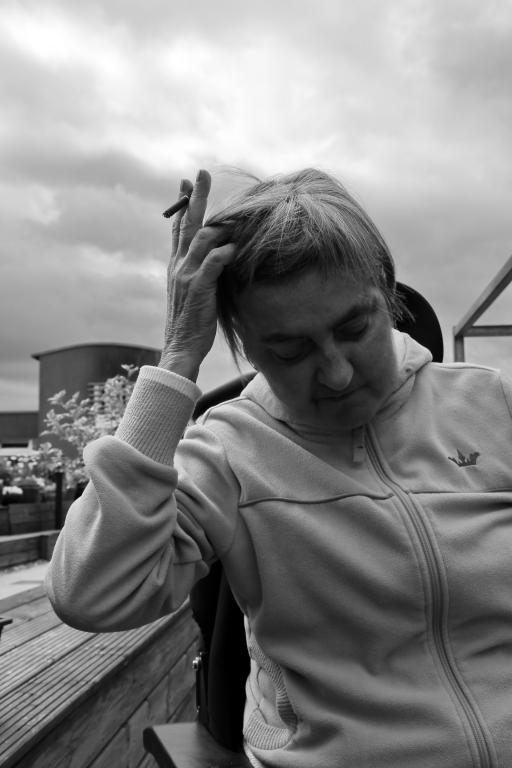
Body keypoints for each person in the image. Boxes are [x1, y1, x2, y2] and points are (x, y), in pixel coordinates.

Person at [46, 168, 512, 768]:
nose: (337, 373)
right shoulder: (228, 451)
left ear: (388, 295)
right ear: (245, 346)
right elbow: (91, 595)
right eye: (290, 351)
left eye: (354, 328)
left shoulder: (493, 404)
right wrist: (178, 357)